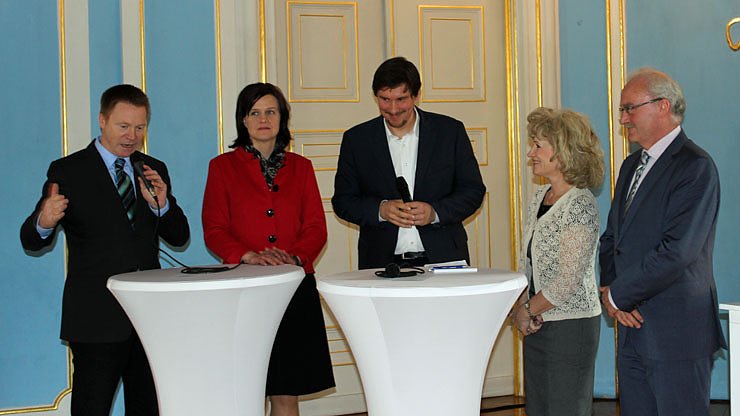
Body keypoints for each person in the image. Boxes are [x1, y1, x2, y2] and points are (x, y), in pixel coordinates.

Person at [20, 84, 190, 415]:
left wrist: (161, 203)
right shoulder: (69, 171)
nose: (132, 136)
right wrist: (44, 220)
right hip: (95, 318)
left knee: (149, 408)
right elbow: (31, 239)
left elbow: (180, 236)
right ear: (102, 120)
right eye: (123, 126)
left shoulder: (152, 168)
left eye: (140, 127)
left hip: (149, 318)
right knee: (92, 408)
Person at [201, 82, 335, 416]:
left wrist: (293, 257)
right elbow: (214, 230)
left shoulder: (301, 167)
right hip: (245, 288)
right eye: (255, 112)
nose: (263, 119)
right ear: (243, 120)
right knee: (248, 391)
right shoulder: (221, 167)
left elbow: (316, 227)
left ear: (282, 117)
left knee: (286, 392)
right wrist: (249, 256)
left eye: (271, 112)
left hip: (293, 286)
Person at [599, 68, 725, 416]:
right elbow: (612, 239)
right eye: (621, 110)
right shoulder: (630, 166)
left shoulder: (695, 166)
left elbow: (678, 250)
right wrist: (612, 292)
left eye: (630, 108)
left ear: (663, 106)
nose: (623, 118)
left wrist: (620, 295)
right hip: (631, 328)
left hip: (677, 331)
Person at [332, 56, 486, 269]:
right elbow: (343, 201)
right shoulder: (357, 140)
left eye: (401, 99)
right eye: (385, 99)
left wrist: (435, 213)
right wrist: (381, 210)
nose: (393, 109)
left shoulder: (450, 132)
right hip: (381, 264)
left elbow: (473, 191)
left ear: (416, 96)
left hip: (444, 259)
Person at [510, 107, 604, 416]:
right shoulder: (539, 197)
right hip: (538, 322)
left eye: (538, 146)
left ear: (563, 152)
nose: (530, 153)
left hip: (570, 327)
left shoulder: (579, 204)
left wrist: (526, 311)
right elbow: (527, 262)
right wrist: (524, 308)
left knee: (565, 408)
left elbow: (567, 281)